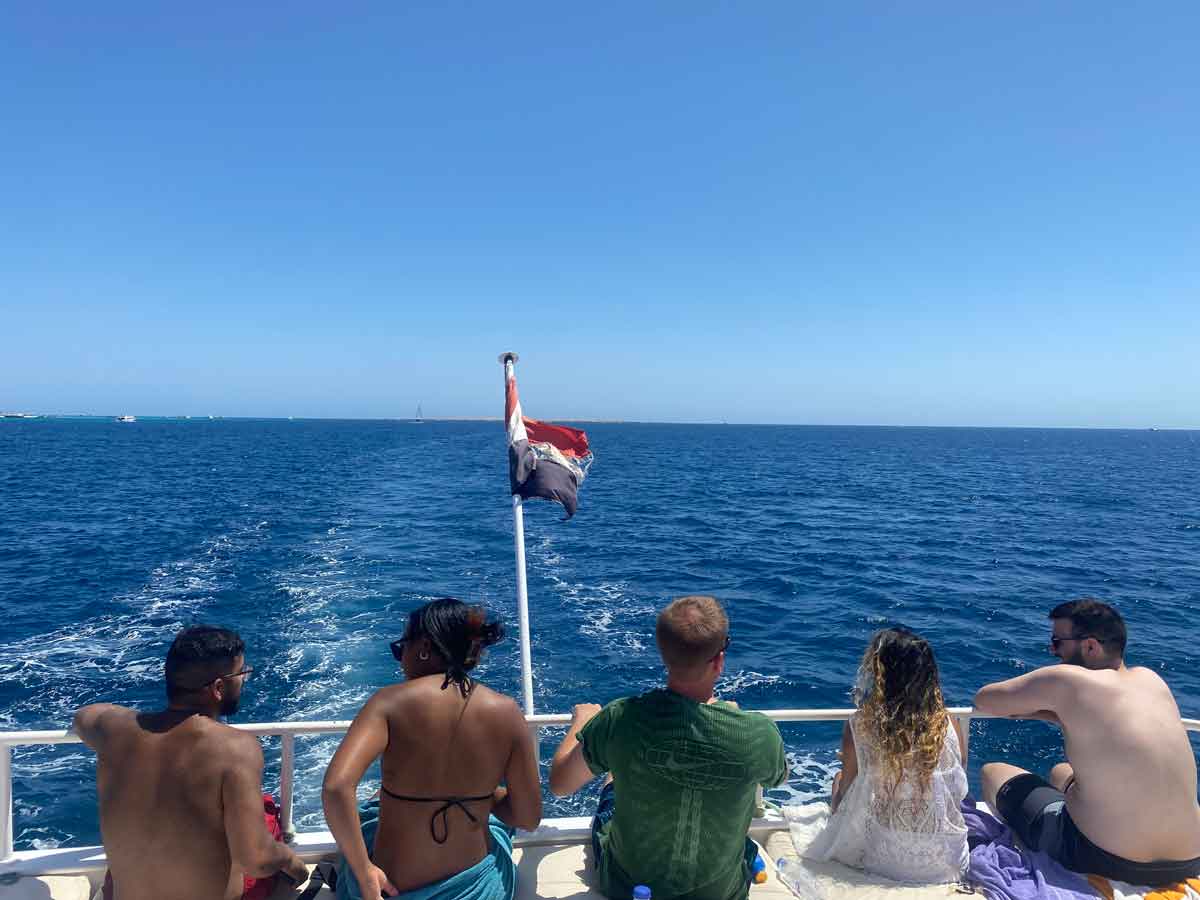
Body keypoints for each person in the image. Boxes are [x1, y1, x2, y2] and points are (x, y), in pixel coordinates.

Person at [549, 595, 788, 900]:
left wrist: (582, 724)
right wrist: (734, 718)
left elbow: (560, 783)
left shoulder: (621, 718)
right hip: (722, 893)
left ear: (664, 655)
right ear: (718, 660)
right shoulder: (758, 733)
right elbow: (778, 776)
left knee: (614, 777)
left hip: (626, 888)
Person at [322, 598, 541, 900]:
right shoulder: (507, 711)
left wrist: (364, 871)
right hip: (475, 892)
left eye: (401, 648)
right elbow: (528, 817)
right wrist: (482, 797)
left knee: (368, 814)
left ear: (424, 647)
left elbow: (336, 788)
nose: (400, 660)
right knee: (497, 829)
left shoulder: (388, 702)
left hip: (390, 891)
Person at [73, 625, 308, 900]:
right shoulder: (235, 748)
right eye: (242, 673)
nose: (245, 679)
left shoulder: (114, 730)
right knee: (270, 830)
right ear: (218, 688)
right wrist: (293, 863)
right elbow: (256, 859)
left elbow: (83, 717)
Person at [976, 598, 1200, 884]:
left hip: (1106, 859)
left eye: (1058, 642)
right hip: (1190, 858)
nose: (1052, 650)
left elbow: (986, 700)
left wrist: (1052, 712)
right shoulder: (1152, 680)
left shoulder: (1067, 680)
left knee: (993, 772)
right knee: (1060, 772)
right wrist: (1061, 715)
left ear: (1090, 646)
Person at [803, 627, 968, 883]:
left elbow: (846, 791)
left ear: (880, 675)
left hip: (882, 862)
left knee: (838, 780)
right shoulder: (950, 725)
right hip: (944, 864)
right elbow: (956, 788)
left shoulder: (860, 725)